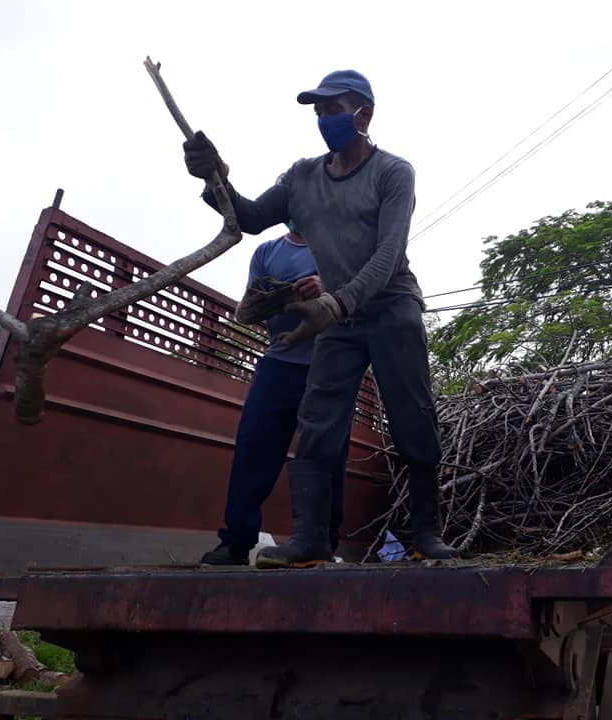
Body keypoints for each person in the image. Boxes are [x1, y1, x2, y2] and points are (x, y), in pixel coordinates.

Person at [183, 69, 456, 567]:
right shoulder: (303, 176)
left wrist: (335, 302)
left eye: (334, 110)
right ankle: (311, 540)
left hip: (392, 308)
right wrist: (216, 176)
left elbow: (389, 254)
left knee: (412, 419)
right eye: (319, 112)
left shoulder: (393, 172)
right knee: (317, 425)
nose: (324, 119)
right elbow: (247, 218)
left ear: (363, 114)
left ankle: (426, 535)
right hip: (340, 322)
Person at [200, 224, 350, 566]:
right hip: (279, 361)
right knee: (253, 447)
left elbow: (362, 289)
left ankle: (322, 542)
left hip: (329, 365)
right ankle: (236, 542)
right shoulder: (266, 252)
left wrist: (325, 288)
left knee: (328, 454)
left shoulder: (341, 244)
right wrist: (277, 297)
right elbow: (248, 309)